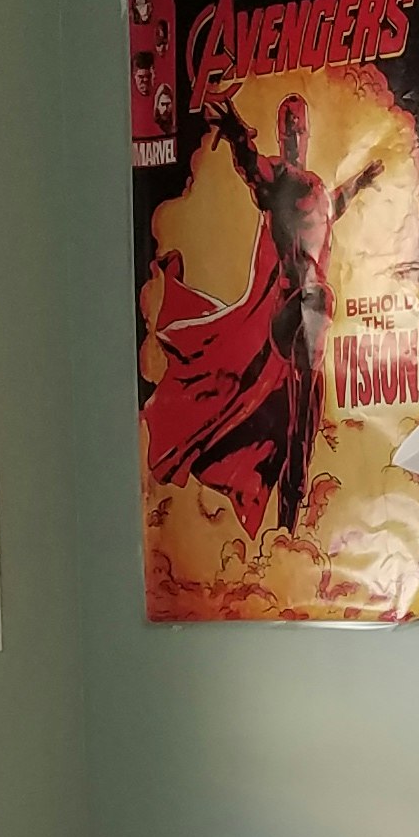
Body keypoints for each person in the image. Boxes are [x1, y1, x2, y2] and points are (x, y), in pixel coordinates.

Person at [140, 89, 394, 541]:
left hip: (313, 307)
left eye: (299, 125)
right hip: (289, 309)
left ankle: (288, 525)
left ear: (307, 132)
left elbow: (332, 206)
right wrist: (238, 136)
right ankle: (287, 524)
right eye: (288, 125)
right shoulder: (276, 176)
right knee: (295, 418)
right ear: (281, 133)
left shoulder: (315, 187)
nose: (294, 133)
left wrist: (362, 180)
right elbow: (252, 170)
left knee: (303, 425)